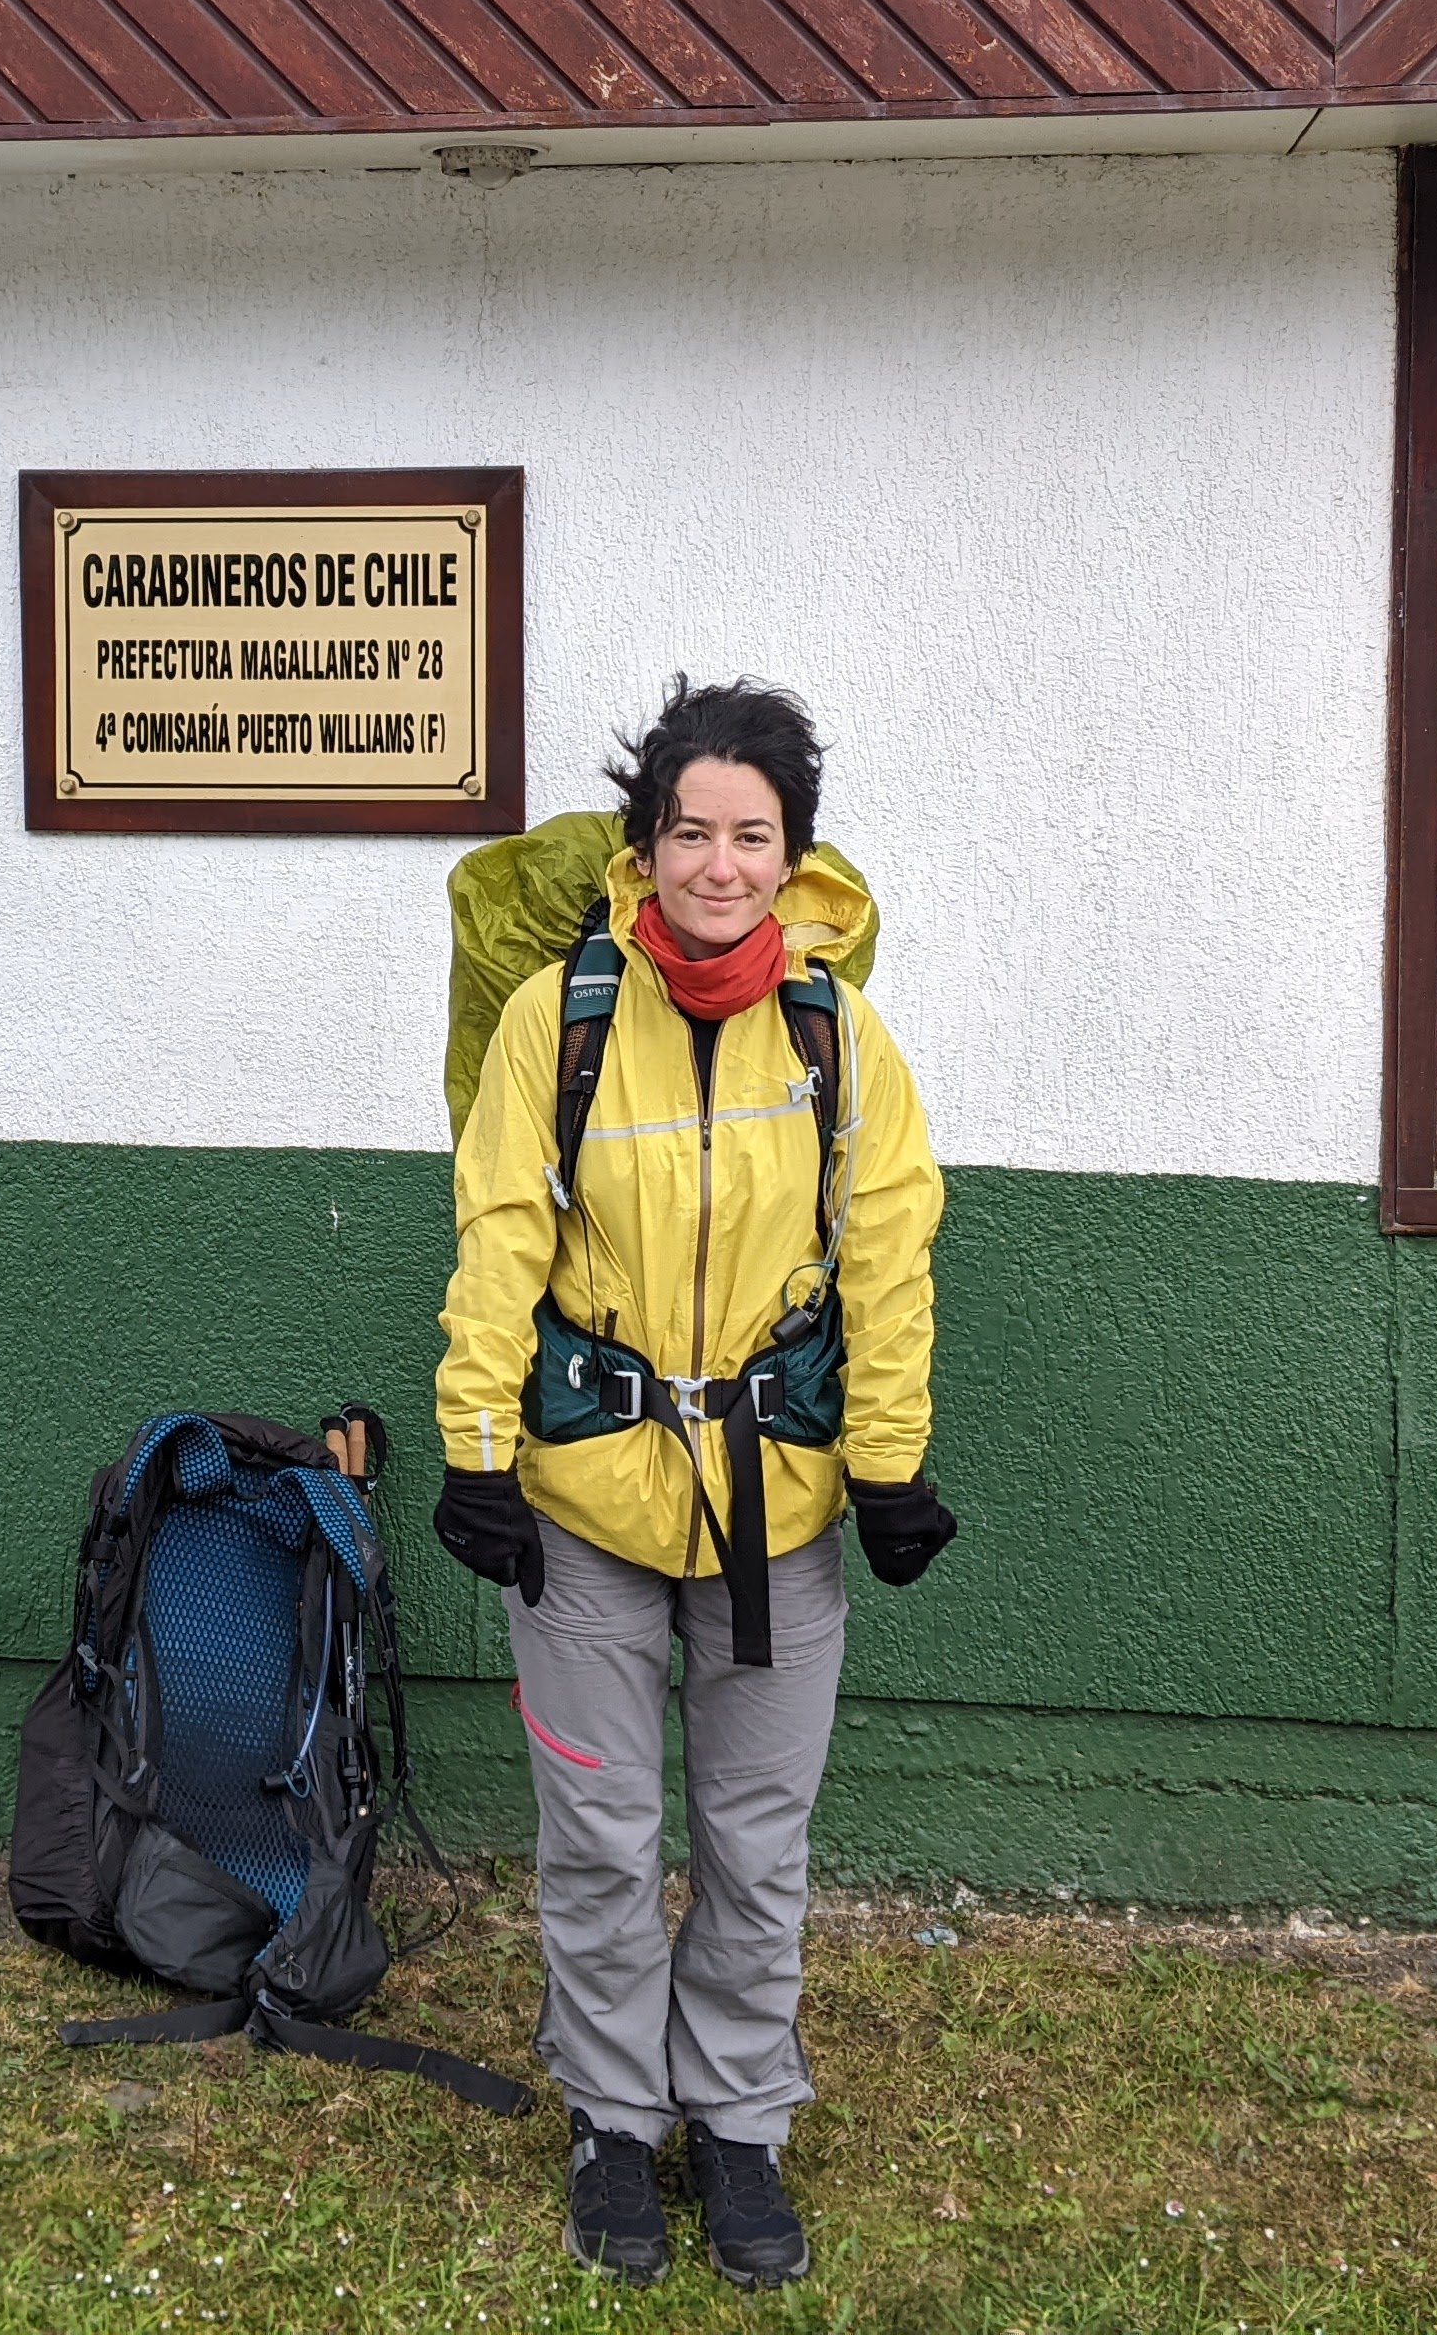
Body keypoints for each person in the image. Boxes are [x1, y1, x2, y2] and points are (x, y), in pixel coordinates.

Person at [430, 676, 955, 2289]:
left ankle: (737, 2124)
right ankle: (609, 2120)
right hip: (584, 1505)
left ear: (793, 857)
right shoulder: (560, 1020)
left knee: (753, 1837)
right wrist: (473, 1447)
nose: (719, 863)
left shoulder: (834, 1032)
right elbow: (502, 1231)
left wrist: (887, 1461)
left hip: (774, 1515)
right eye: (691, 830)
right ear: (646, 844)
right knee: (596, 1833)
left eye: (754, 835)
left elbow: (889, 1243)